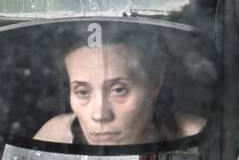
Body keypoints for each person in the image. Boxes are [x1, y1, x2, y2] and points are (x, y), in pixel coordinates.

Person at [34, 37, 206, 146]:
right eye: (83, 92)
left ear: (154, 84)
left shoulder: (199, 137)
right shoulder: (58, 134)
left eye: (118, 90)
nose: (100, 115)